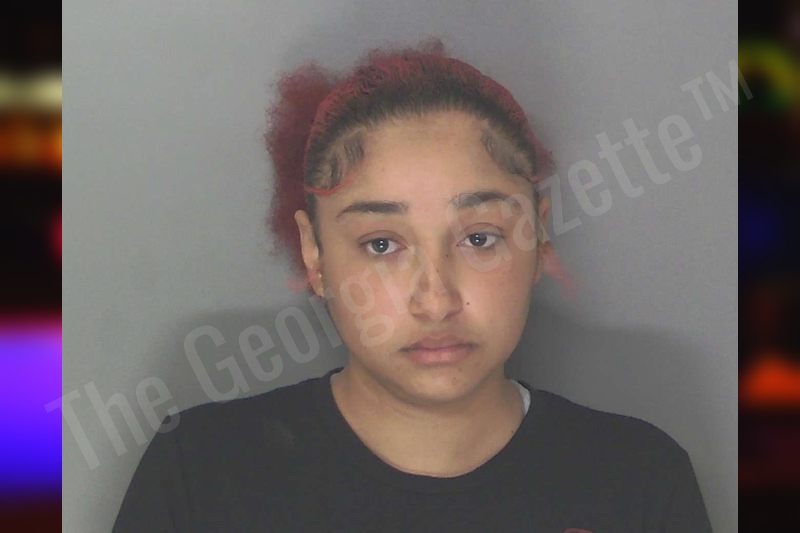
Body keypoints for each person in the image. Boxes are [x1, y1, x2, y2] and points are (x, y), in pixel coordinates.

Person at [112, 38, 713, 532]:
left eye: (480, 238)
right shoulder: (198, 474)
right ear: (315, 254)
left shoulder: (640, 482)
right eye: (382, 245)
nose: (436, 300)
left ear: (539, 237)